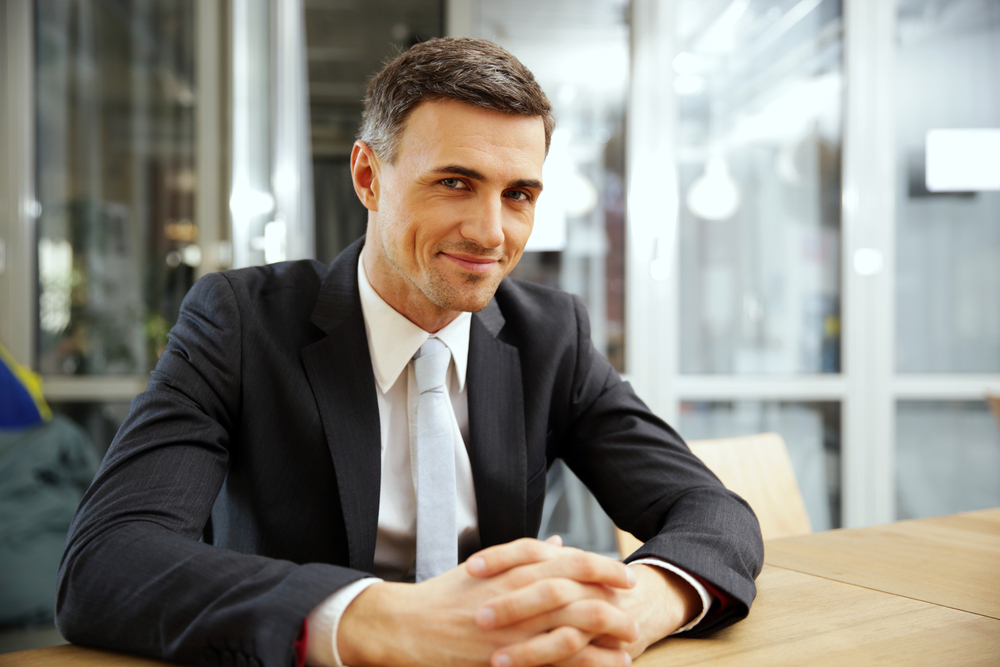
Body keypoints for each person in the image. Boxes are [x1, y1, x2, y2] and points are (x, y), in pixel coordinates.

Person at [56, 38, 762, 667]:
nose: (491, 232)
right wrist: (379, 621)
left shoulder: (552, 333)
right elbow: (106, 562)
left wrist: (638, 604)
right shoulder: (240, 321)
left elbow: (712, 512)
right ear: (368, 177)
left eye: (518, 194)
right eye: (454, 182)